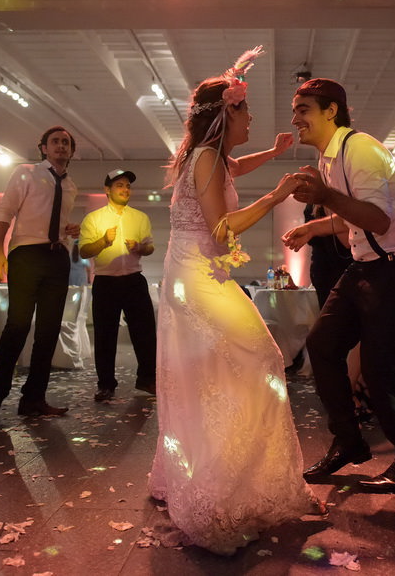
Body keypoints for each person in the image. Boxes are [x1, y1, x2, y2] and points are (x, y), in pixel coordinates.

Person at [149, 47, 314, 555]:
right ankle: (218, 486)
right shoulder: (203, 158)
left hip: (197, 274)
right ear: (226, 113)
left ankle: (216, 470)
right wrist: (277, 194)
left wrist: (272, 152)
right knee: (257, 358)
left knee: (213, 372)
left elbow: (232, 169)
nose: (252, 118)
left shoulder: (208, 158)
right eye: (246, 110)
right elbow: (222, 229)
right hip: (198, 277)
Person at [283, 78, 395, 493]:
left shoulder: (361, 148)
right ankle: (349, 442)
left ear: (332, 111)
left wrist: (325, 197)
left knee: (379, 369)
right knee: (322, 344)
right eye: (295, 110)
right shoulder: (332, 158)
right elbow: (355, 217)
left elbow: (379, 220)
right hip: (368, 264)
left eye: (303, 110)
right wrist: (314, 227)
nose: (295, 119)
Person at [0, 127, 80, 427]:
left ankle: (33, 398)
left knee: (48, 331)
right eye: (55, 142)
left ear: (71, 151)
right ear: (44, 148)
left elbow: (55, 222)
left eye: (66, 143)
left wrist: (69, 231)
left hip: (57, 256)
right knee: (18, 325)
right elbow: (5, 212)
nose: (61, 146)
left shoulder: (71, 185)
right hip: (26, 254)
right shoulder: (26, 173)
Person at [80, 169, 157, 402]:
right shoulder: (93, 218)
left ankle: (146, 378)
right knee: (105, 335)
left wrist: (140, 248)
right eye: (119, 185)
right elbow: (83, 250)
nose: (125, 190)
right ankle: (106, 385)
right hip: (105, 281)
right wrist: (103, 241)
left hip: (134, 279)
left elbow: (150, 247)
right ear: (107, 190)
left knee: (145, 333)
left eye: (128, 186)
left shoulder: (140, 217)